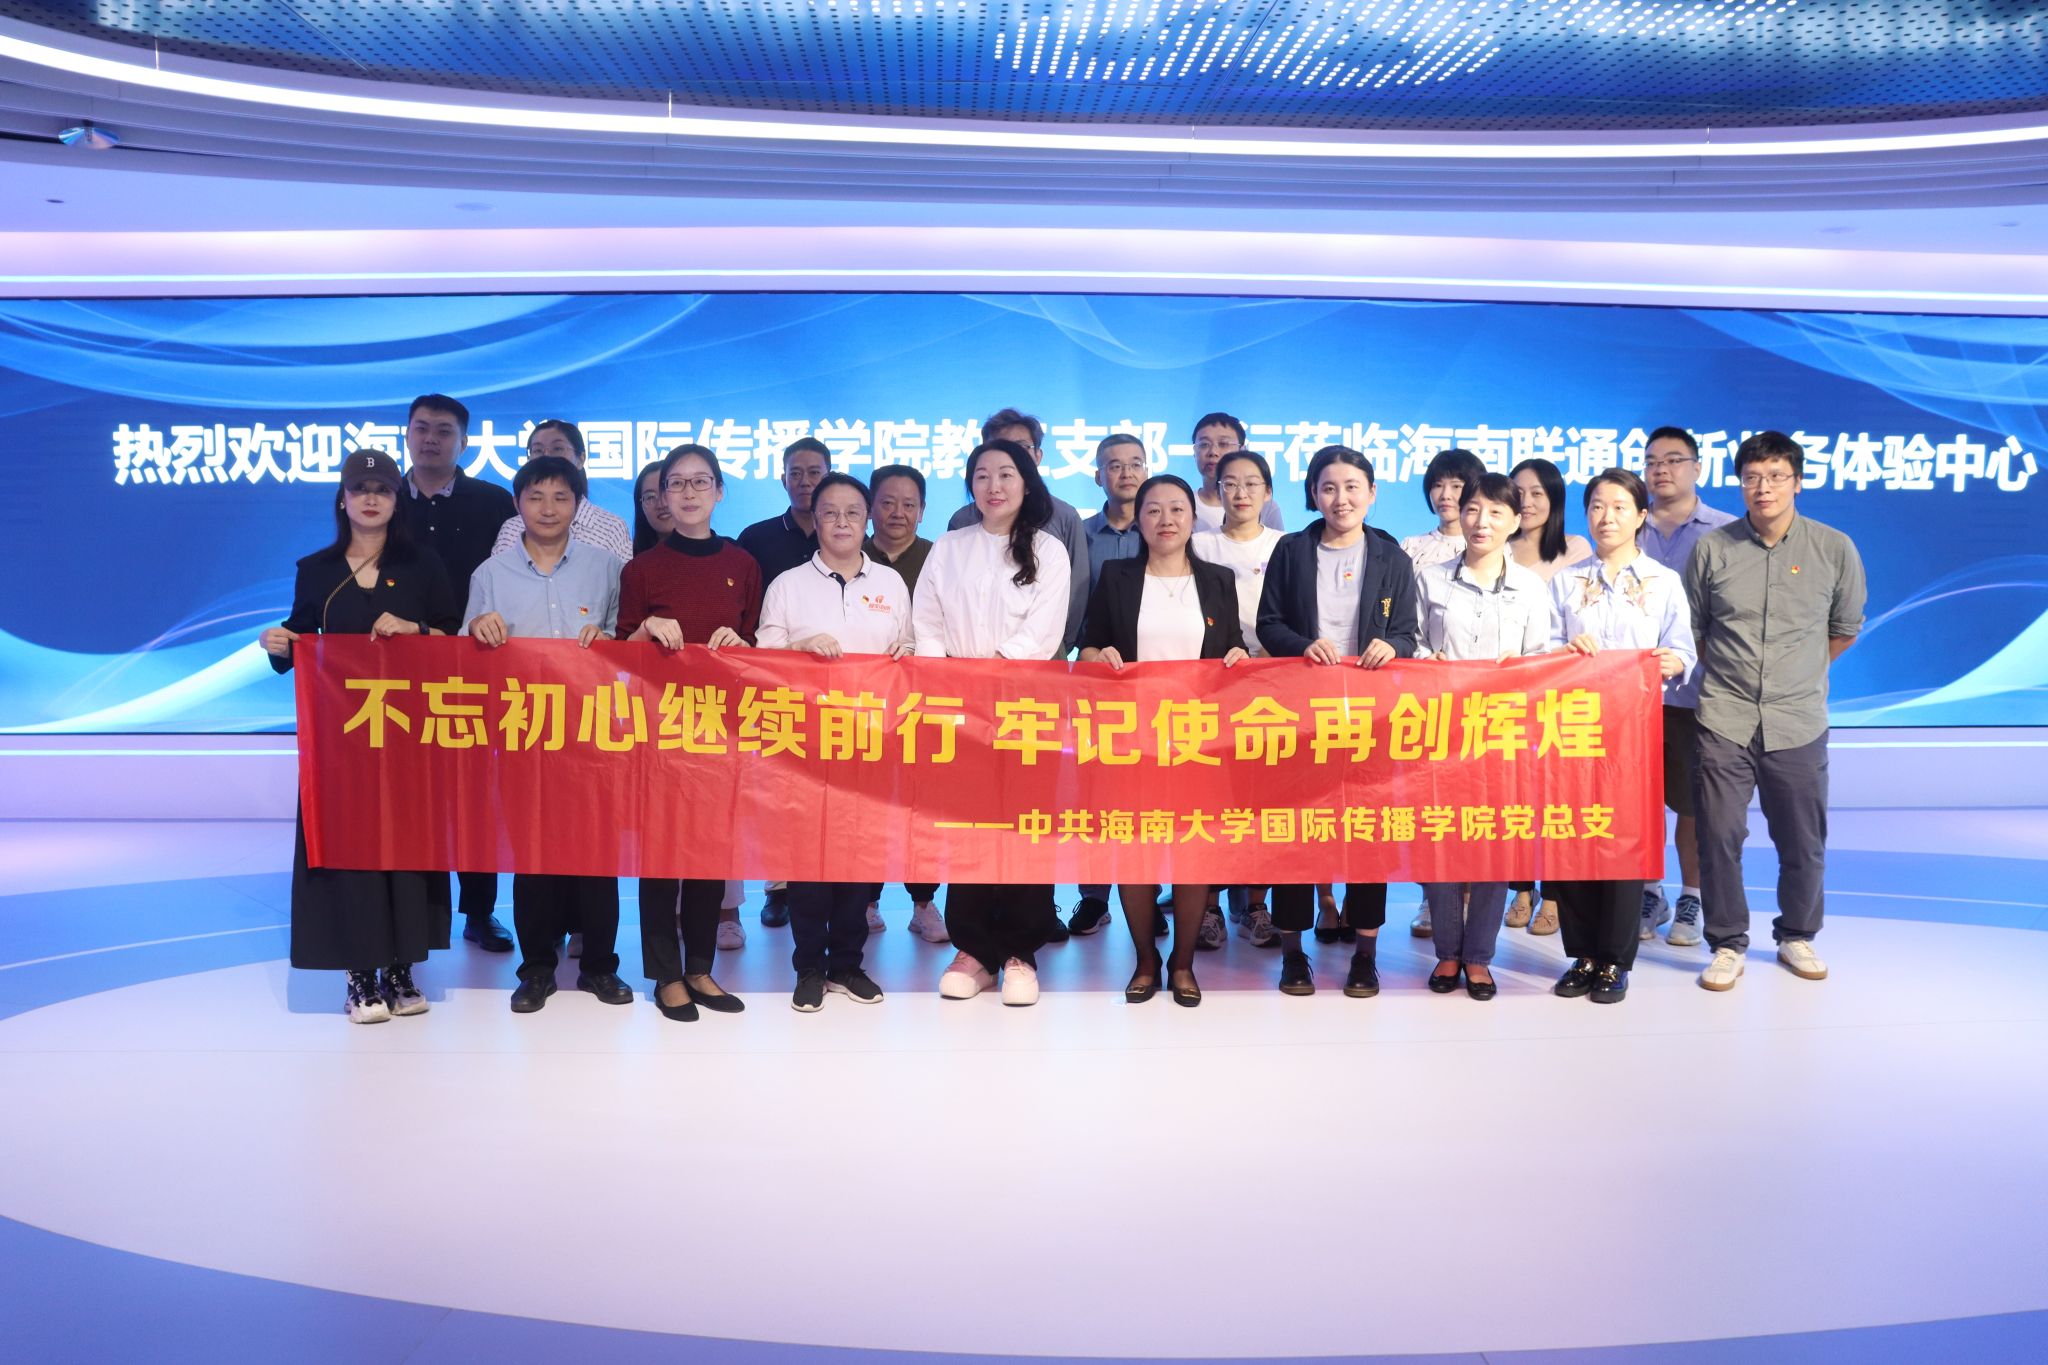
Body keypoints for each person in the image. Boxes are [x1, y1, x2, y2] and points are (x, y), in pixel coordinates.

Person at [261, 449, 458, 1023]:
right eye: (360, 488)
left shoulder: (423, 564)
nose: (371, 498)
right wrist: (279, 643)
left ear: (398, 500)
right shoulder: (317, 569)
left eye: (383, 489)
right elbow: (301, 638)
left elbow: (452, 639)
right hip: (343, 741)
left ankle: (401, 967)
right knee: (350, 850)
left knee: (406, 846)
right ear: (342, 499)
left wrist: (416, 629)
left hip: (410, 734)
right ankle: (360, 974)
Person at [1686, 432, 1866, 992]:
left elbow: (1844, 629)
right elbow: (1696, 630)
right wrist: (1736, 675)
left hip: (1797, 718)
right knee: (1719, 835)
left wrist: (1798, 672)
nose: (1763, 488)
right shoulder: (1713, 549)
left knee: (1802, 841)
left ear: (1798, 482)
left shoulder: (1834, 548)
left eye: (1776, 477)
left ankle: (1796, 935)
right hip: (1725, 716)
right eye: (1752, 478)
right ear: (1740, 483)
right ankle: (1726, 942)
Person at [461, 454, 634, 1012]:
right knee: (532, 855)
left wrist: (609, 641)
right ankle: (536, 969)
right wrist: (477, 628)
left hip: (593, 731)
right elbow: (465, 655)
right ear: (518, 505)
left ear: (578, 505)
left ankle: (600, 967)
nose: (548, 508)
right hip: (526, 733)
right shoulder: (490, 575)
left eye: (561, 497)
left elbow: (627, 643)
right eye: (535, 497)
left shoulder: (607, 568)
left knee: (597, 856)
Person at [1255, 445, 1419, 999]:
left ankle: (1365, 955)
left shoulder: (1392, 556)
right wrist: (1303, 645)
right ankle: (1293, 954)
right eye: (1328, 487)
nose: (1340, 498)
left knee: (1367, 834)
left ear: (1372, 493)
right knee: (1296, 833)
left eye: (1352, 487)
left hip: (1371, 719)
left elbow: (1408, 634)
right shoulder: (1291, 550)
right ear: (1313, 494)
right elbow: (1269, 623)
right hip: (1301, 716)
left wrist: (1392, 647)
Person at [1079, 475, 1249, 1006]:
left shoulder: (1218, 579)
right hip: (1132, 739)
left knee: (1193, 851)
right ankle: (1145, 960)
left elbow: (1235, 646)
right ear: (1139, 520)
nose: (1166, 520)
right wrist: (1099, 657)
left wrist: (1240, 657)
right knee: (1135, 849)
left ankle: (1183, 963)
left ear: (1194, 518)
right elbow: (1087, 647)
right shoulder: (1116, 576)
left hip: (1199, 740)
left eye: (1177, 509)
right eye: (1153, 510)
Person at [914, 439, 1072, 1006]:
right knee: (970, 825)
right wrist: (949, 681)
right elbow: (927, 621)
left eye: (1006, 474)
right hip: (960, 708)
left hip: (1025, 705)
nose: (994, 485)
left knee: (1025, 824)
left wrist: (992, 677)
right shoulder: (949, 546)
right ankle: (974, 949)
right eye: (982, 475)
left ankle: (1020, 951)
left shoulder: (1049, 550)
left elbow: (1044, 630)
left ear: (1027, 482)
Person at [616, 443, 763, 1021]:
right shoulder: (641, 568)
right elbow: (618, 656)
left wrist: (743, 644)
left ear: (720, 492)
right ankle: (665, 974)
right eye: (676, 483)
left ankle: (700, 967)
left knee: (709, 853)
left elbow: (758, 645)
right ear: (660, 497)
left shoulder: (743, 564)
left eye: (701, 482)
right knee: (660, 857)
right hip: (657, 732)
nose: (688, 493)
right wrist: (647, 628)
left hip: (722, 729)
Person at [757, 473, 914, 1011]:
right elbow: (762, 661)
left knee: (858, 861)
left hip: (871, 742)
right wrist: (800, 647)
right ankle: (809, 967)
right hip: (805, 745)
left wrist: (909, 651)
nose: (842, 522)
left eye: (852, 512)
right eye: (830, 512)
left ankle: (848, 964)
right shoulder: (787, 584)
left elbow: (908, 648)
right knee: (808, 863)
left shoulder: (890, 583)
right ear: (815, 519)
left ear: (867, 519)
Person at [1546, 468, 1696, 1004]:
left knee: (1622, 841)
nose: (1606, 517)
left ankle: (1614, 959)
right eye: (1596, 507)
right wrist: (1564, 651)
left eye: (1618, 507)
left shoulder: (1663, 581)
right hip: (1573, 732)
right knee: (1574, 837)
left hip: (1634, 734)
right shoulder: (1565, 581)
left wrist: (1672, 661)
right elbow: (1541, 648)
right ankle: (1583, 954)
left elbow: (1683, 649)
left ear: (1640, 517)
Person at [1412, 472, 1557, 1001]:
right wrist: (1429, 661)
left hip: (1501, 733)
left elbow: (1543, 658)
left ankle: (1478, 956)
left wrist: (1520, 669)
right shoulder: (1430, 579)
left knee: (1493, 845)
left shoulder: (1530, 587)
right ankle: (1447, 952)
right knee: (1441, 842)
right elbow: (1412, 645)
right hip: (1440, 731)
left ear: (1515, 521)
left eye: (1496, 512)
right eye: (1473, 509)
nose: (1481, 521)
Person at [396, 392, 518, 955]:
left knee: (474, 795)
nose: (430, 439)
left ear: (464, 442)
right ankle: (413, 911)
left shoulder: (492, 502)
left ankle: (479, 911)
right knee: (410, 793)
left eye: (444, 430)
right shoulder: (383, 496)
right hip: (397, 669)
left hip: (475, 666)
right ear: (407, 434)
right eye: (421, 428)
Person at [1641, 424, 1739, 947]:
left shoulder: (1726, 533)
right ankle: (1648, 892)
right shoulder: (1628, 527)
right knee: (1639, 802)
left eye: (1674, 459)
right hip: (1630, 699)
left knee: (1692, 806)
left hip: (1696, 696)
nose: (1661, 469)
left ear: (1697, 468)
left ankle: (1691, 898)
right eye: (1652, 460)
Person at [737, 436, 834, 931]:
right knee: (781, 791)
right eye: (796, 472)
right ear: (781, 479)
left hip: (840, 692)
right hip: (778, 683)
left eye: (814, 472)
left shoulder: (846, 532)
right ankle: (778, 889)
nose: (805, 481)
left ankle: (845, 889)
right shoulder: (756, 538)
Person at [1190, 449, 1285, 948]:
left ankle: (1255, 905)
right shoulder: (1198, 544)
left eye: (1252, 483)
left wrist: (1273, 651)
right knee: (1211, 800)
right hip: (1211, 685)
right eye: (1230, 483)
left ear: (1268, 492)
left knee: (1261, 800)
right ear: (1217, 489)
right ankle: (1208, 907)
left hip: (1271, 684)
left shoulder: (1287, 545)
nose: (1241, 492)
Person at [1398, 446, 1487, 940]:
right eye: (1438, 484)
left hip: (1486, 703)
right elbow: (1404, 624)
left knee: (1476, 804)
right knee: (1430, 805)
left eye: (1457, 485)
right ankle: (1433, 900)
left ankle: (1472, 896)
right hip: (1428, 699)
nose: (1446, 494)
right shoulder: (1412, 548)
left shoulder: (1495, 546)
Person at [861, 462, 949, 943]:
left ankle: (923, 902)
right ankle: (866, 900)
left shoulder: (940, 559)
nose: (898, 512)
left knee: (923, 806)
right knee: (867, 803)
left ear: (922, 510)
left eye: (909, 504)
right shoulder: (849, 556)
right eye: (888, 502)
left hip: (926, 704)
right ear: (870, 507)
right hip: (862, 707)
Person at [1504, 456, 1593, 934]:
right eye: (1518, 492)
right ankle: (1521, 888)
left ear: (1555, 498)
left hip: (1560, 694)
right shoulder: (1497, 546)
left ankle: (1555, 894)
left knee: (1557, 800)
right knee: (1516, 797)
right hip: (1507, 695)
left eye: (1538, 493)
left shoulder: (1574, 549)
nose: (1527, 502)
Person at [1067, 433, 1149, 940]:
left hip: (1156, 681)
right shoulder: (1079, 534)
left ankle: (1148, 895)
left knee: (1152, 788)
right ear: (1098, 475)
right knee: (1095, 793)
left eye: (1135, 463)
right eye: (1114, 465)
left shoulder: (1164, 526)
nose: (1126, 473)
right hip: (1095, 677)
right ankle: (1094, 897)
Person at [945, 408, 1091, 658]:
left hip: (1044, 655)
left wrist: (1057, 644)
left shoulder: (1064, 517)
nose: (1010, 455)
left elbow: (1076, 595)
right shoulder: (962, 522)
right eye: (1000, 446)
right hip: (967, 659)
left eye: (1021, 447)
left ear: (1038, 455)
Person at [490, 419, 635, 564]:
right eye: (538, 450)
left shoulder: (611, 528)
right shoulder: (512, 528)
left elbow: (627, 576)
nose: (546, 456)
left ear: (581, 459)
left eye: (557, 449)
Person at [1189, 412, 1287, 533]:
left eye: (1223, 444)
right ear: (1194, 452)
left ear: (1242, 450)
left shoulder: (1264, 505)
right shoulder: (1183, 506)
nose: (1213, 452)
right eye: (1204, 444)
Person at [632, 460, 674, 554]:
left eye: (667, 493)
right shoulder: (638, 562)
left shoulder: (707, 556)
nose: (661, 504)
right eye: (650, 497)